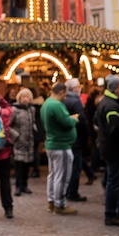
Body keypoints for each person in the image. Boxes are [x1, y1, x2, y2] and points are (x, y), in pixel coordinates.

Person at [96, 75, 119, 227]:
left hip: (112, 148)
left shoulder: (110, 102)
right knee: (114, 181)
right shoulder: (111, 106)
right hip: (114, 149)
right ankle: (111, 214)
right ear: (116, 88)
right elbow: (114, 130)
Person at [40, 82, 79, 215]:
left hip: (52, 144)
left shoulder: (46, 103)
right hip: (60, 145)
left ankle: (51, 201)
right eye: (66, 94)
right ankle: (60, 204)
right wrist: (74, 119)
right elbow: (66, 122)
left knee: (53, 175)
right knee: (61, 176)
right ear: (61, 92)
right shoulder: (56, 105)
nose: (66, 97)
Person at [64, 78, 89, 203]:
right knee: (75, 166)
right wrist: (86, 133)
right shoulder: (75, 100)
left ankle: (66, 190)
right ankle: (72, 192)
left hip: (66, 137)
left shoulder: (63, 100)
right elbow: (82, 120)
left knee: (67, 165)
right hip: (76, 137)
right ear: (74, 88)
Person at [10, 88, 36, 196]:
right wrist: (16, 136)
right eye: (23, 97)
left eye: (27, 97)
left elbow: (33, 122)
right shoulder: (14, 110)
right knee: (19, 165)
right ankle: (18, 186)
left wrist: (34, 131)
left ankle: (25, 185)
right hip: (19, 141)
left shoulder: (32, 110)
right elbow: (8, 125)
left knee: (27, 165)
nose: (25, 99)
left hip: (29, 141)